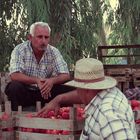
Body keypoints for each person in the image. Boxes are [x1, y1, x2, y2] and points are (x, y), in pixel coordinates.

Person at [38, 58, 138, 140]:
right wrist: (59, 99)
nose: (77, 92)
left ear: (85, 89)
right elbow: (82, 95)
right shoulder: (109, 93)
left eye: (78, 88)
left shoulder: (107, 113)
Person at [5, 22, 75, 111]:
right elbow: (14, 75)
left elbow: (65, 75)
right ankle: (16, 118)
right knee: (14, 87)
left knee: (72, 89)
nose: (43, 41)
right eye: (39, 37)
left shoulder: (54, 51)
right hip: (26, 91)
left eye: (46, 37)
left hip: (46, 92)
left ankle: (60, 113)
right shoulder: (20, 50)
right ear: (30, 37)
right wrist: (36, 80)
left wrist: (52, 81)